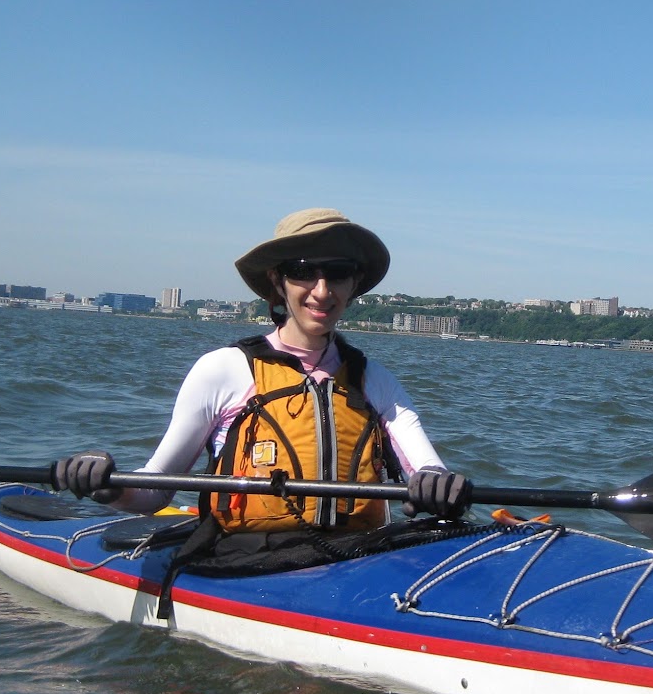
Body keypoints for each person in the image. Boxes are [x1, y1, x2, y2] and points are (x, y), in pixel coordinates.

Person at [53, 208, 472, 530]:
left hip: (357, 560)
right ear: (278, 281)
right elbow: (154, 489)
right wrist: (106, 484)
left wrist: (439, 486)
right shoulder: (222, 371)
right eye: (303, 272)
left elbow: (427, 468)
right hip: (246, 563)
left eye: (339, 274)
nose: (322, 291)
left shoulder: (374, 380)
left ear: (354, 284)